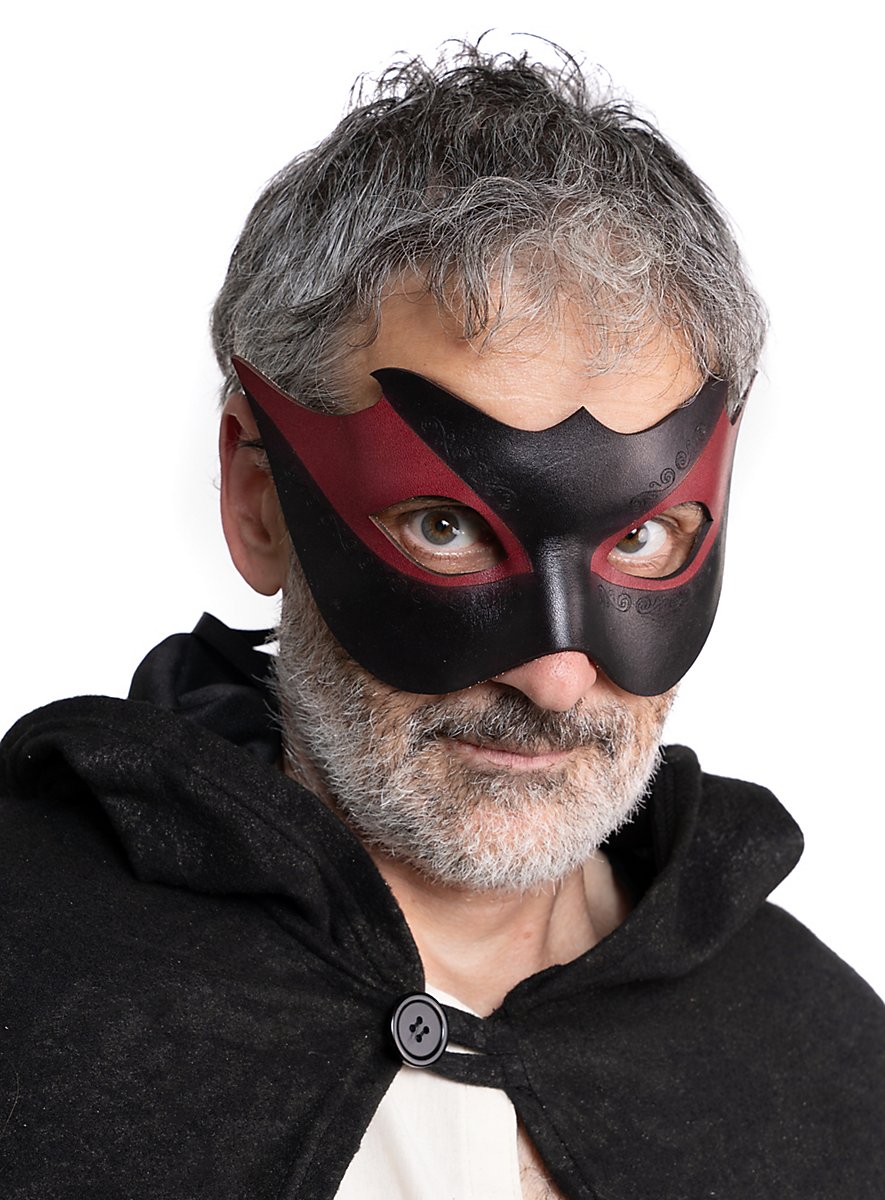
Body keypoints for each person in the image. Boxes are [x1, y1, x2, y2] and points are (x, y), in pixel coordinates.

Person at [1, 43, 882, 1200]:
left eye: (640, 538)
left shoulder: (829, 1081)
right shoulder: (29, 994)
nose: (555, 679)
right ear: (258, 501)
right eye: (446, 527)